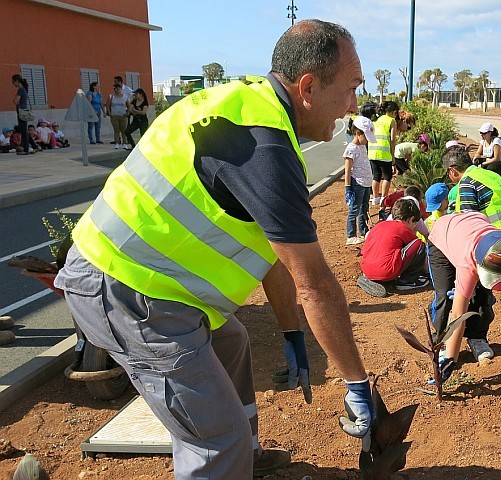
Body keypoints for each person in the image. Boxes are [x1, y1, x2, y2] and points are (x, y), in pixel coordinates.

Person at [54, 19, 373, 480]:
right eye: (350, 89)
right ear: (307, 87)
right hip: (123, 290)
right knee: (215, 441)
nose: (353, 105)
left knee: (232, 342)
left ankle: (248, 453)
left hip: (151, 285)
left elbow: (276, 260)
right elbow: (316, 287)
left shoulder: (251, 108)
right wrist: (356, 383)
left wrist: (291, 334)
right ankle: (229, 454)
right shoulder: (263, 148)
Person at [440, 147, 501, 361]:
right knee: (480, 291)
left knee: (477, 292)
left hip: (493, 247)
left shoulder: (468, 184)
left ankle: (474, 338)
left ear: (452, 172)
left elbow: (471, 224)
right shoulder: (487, 174)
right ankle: (468, 338)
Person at [427, 211, 501, 380]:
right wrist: (451, 359)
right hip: (443, 236)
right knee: (445, 298)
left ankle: (476, 337)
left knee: (483, 296)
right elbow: (458, 315)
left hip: (474, 227)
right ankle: (442, 344)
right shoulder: (467, 263)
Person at [357, 198, 430, 297]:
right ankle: (406, 282)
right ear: (411, 219)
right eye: (415, 223)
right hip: (387, 271)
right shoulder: (403, 228)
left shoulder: (378, 226)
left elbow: (365, 250)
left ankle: (374, 279)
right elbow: (417, 249)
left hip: (367, 270)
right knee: (419, 244)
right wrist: (429, 271)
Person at [344, 115, 375, 245]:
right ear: (357, 133)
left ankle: (364, 231)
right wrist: (348, 187)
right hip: (357, 183)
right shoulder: (351, 149)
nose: (367, 140)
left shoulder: (362, 147)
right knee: (354, 209)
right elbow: (347, 170)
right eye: (365, 137)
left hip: (366, 183)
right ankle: (351, 235)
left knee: (364, 208)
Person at [368, 100, 399, 205]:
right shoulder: (391, 121)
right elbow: (392, 140)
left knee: (376, 176)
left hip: (372, 152)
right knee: (387, 176)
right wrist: (393, 159)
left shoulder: (375, 120)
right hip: (384, 152)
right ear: (394, 112)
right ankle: (383, 198)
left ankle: (375, 197)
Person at [11, 74, 33, 155]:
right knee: (24, 130)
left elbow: (15, 101)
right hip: (24, 111)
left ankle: (26, 149)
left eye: (13, 82)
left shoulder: (21, 90)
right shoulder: (24, 89)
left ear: (17, 81)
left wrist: (16, 102)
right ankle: (34, 146)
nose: (13, 83)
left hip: (21, 112)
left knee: (23, 132)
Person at [105, 84, 129, 149]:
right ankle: (117, 143)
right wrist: (109, 113)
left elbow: (128, 105)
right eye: (116, 88)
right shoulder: (111, 96)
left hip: (123, 116)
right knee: (116, 130)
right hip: (114, 116)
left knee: (124, 130)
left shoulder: (125, 97)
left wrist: (127, 113)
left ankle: (125, 143)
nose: (117, 90)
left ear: (121, 89)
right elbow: (107, 105)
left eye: (118, 88)